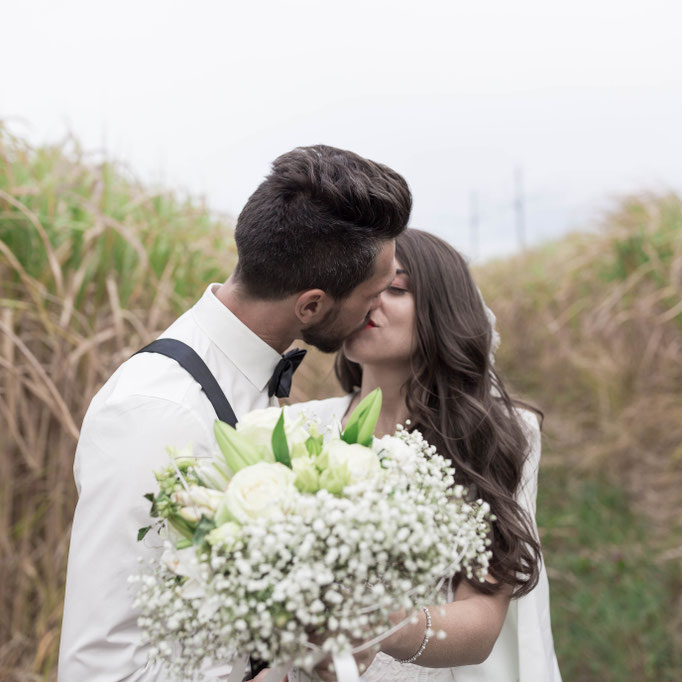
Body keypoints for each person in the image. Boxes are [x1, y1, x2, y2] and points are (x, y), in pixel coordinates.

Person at [58, 145, 412, 681]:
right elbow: (100, 668)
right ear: (311, 305)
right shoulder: (157, 410)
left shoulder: (248, 377)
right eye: (374, 293)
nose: (376, 310)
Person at [285, 228, 562, 681]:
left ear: (443, 308)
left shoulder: (494, 435)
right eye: (359, 287)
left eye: (395, 288)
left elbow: (483, 616)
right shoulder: (297, 430)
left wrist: (381, 630)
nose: (370, 302)